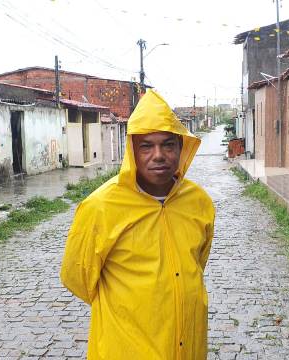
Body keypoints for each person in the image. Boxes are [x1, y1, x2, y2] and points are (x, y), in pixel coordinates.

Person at [60, 89, 215, 359]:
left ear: (181, 147)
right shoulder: (101, 207)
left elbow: (196, 262)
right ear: (132, 150)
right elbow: (77, 278)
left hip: (188, 345)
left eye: (168, 144)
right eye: (146, 146)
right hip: (126, 348)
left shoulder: (198, 202)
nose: (158, 155)